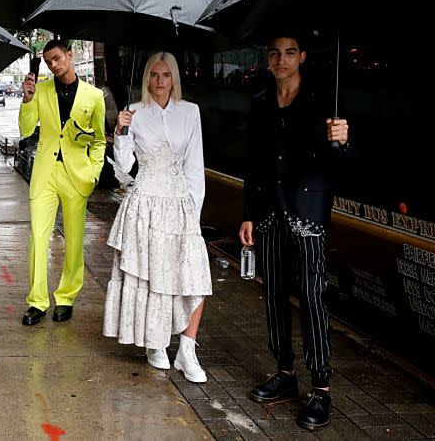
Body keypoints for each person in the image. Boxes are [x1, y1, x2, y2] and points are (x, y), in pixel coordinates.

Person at [239, 34, 350, 431]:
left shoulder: (324, 102)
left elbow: (346, 164)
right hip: (269, 215)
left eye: (289, 52)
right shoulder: (261, 103)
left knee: (312, 298)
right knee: (273, 297)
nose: (281, 59)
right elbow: (253, 163)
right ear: (267, 59)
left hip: (308, 216)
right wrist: (249, 213)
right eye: (274, 53)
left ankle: (321, 388)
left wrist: (344, 141)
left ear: (302, 56)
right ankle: (284, 373)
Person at [102, 51, 212, 383]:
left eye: (165, 75)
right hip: (144, 204)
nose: (160, 82)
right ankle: (155, 343)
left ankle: (187, 350)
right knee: (151, 278)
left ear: (174, 79)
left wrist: (195, 212)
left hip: (180, 204)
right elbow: (123, 170)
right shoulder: (134, 113)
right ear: (147, 78)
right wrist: (120, 132)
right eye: (154, 75)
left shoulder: (190, 112)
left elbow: (195, 166)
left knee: (193, 276)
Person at [18, 40, 106, 325]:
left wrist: (93, 172)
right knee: (38, 237)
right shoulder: (41, 90)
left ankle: (66, 297)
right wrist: (28, 101)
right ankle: (37, 301)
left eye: (57, 58)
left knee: (75, 239)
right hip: (45, 173)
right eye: (48, 62)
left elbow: (100, 141)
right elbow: (26, 130)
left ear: (70, 55)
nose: (53, 65)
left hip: (76, 175)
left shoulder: (93, 96)